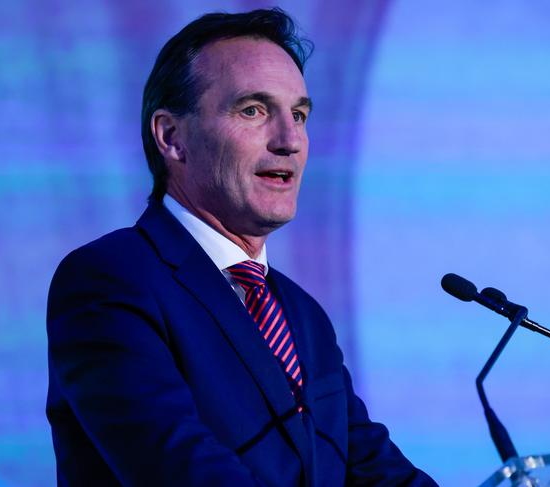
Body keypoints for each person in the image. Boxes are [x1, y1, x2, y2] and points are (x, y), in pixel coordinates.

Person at [46, 8, 438, 487]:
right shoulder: (109, 279)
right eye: (253, 110)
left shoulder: (301, 314)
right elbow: (181, 469)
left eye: (298, 114)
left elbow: (376, 470)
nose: (290, 140)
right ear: (172, 137)